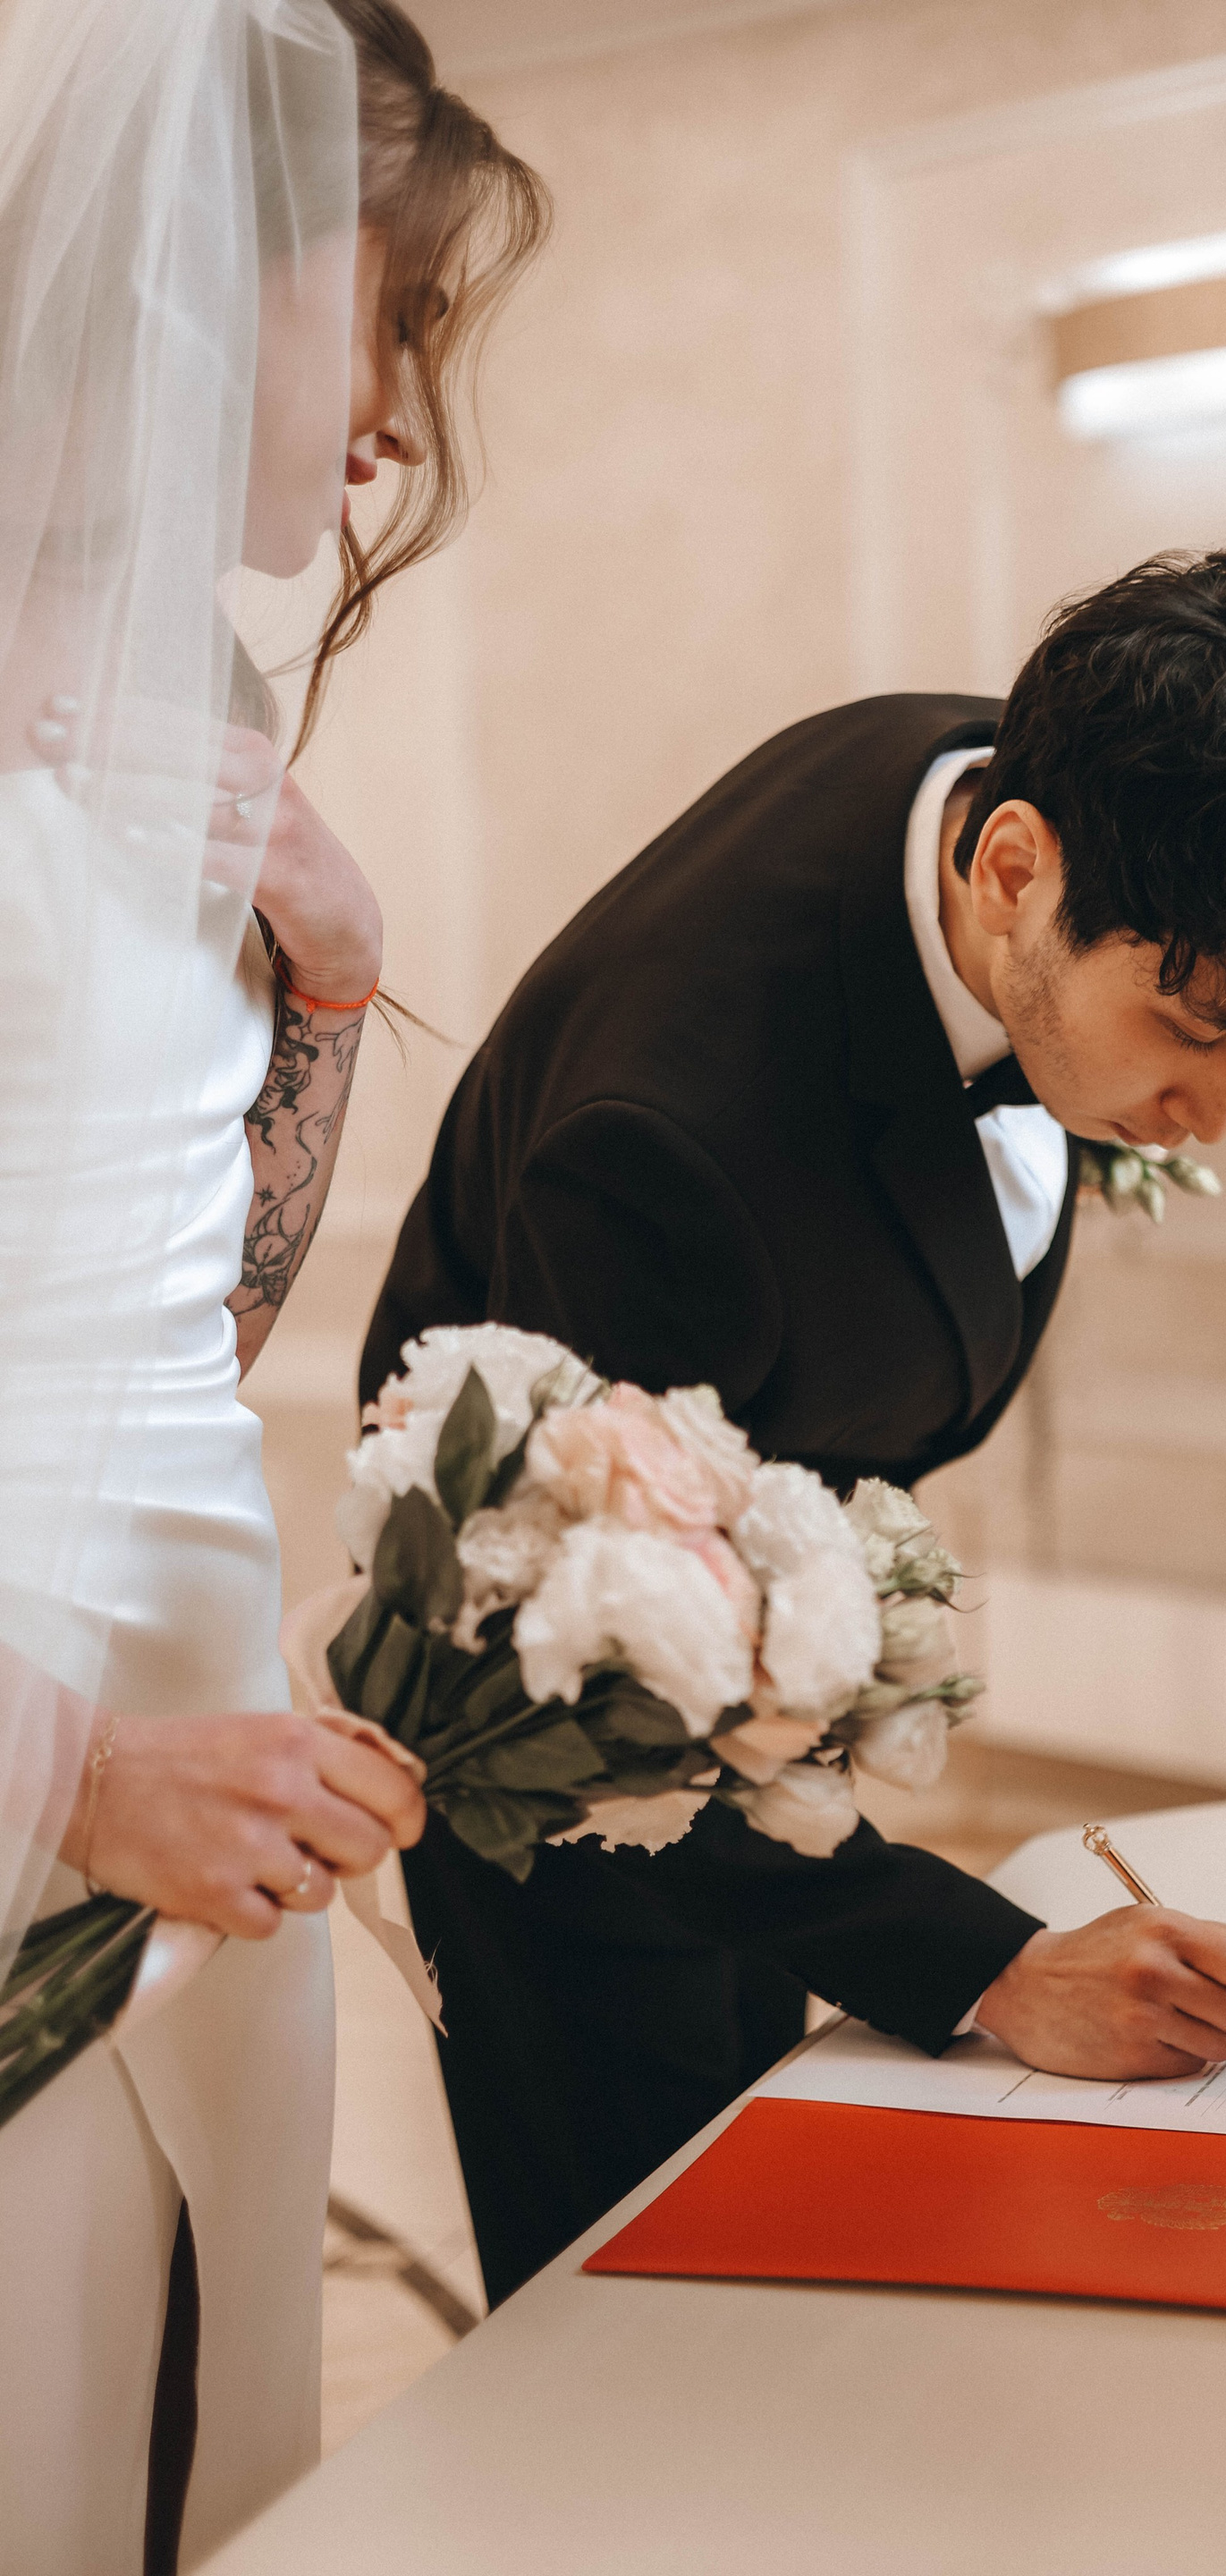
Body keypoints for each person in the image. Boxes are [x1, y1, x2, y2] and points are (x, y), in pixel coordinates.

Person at [363, 549, 1226, 2306]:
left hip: (753, 1633)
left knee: (791, 2209)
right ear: (1014, 872)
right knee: (645, 2313)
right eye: (1189, 1033)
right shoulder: (665, 1150)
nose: (1210, 1121)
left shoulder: (999, 786)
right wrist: (994, 1968)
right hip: (561, 1754)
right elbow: (592, 1705)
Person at [0, 4, 545, 2570]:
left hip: (199, 1667)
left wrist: (329, 973)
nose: (398, 420)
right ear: (200, 269)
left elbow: (174, 1315)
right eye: (392, 310)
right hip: (49, 1736)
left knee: (190, 2429)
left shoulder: (182, 683)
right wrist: (67, 1779)